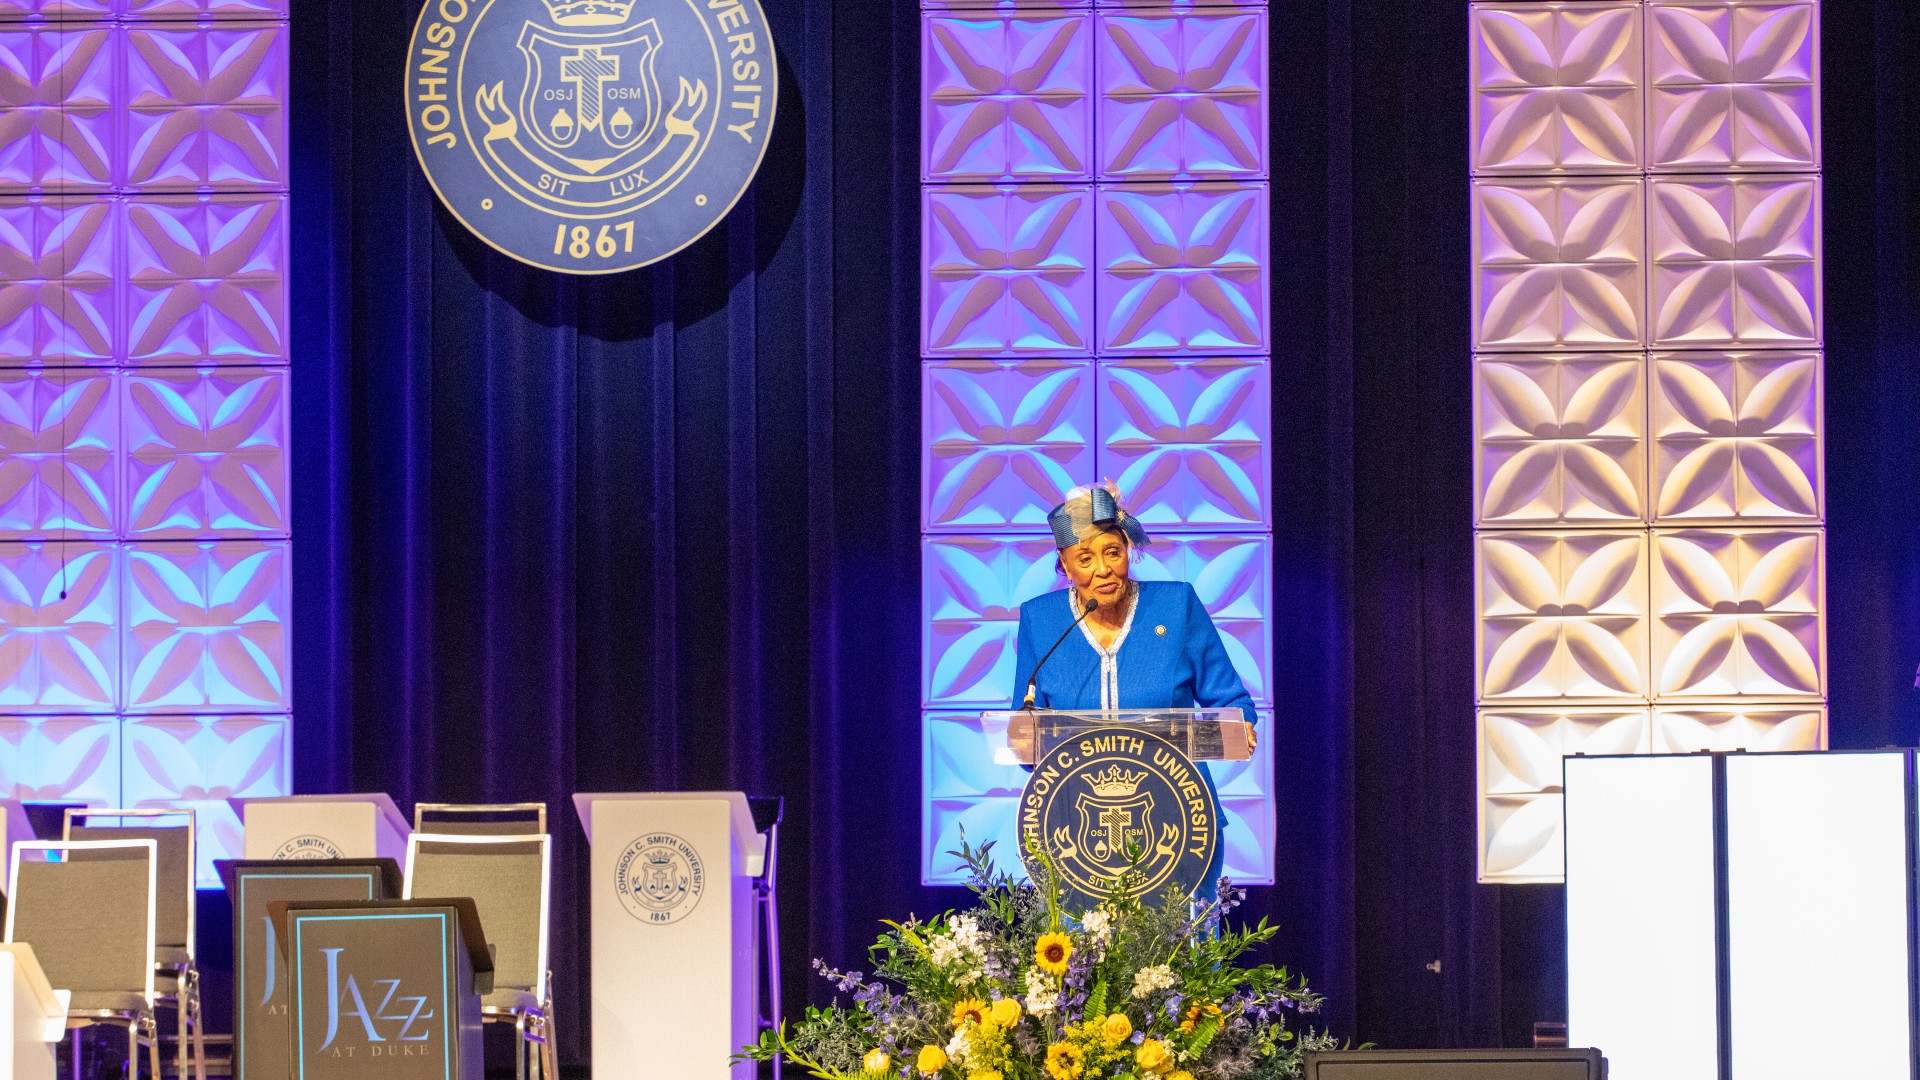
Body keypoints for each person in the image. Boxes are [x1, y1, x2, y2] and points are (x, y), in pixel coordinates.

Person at [1010, 484, 1255, 720]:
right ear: (1065, 564)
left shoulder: (1175, 606)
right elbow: (1026, 726)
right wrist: (1021, 740)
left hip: (1168, 764)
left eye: (1113, 553)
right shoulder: (1040, 619)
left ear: (1127, 550)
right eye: (1085, 559)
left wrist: (1239, 725)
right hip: (1079, 765)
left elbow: (1231, 702)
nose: (1103, 569)